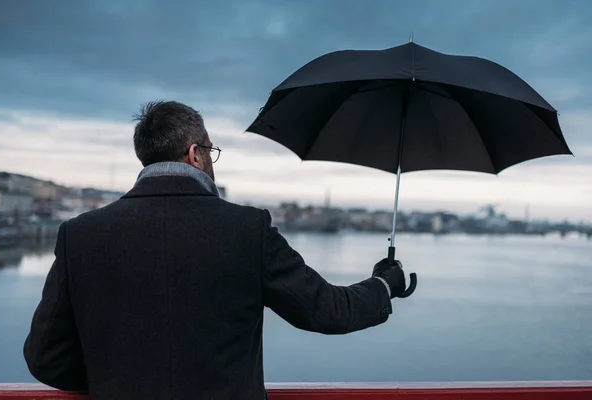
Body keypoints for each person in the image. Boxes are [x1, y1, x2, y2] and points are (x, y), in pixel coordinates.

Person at [23, 101, 409, 400]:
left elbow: (46, 357)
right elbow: (327, 311)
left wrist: (116, 382)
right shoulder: (246, 229)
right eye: (212, 151)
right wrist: (383, 284)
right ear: (195, 153)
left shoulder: (80, 234)